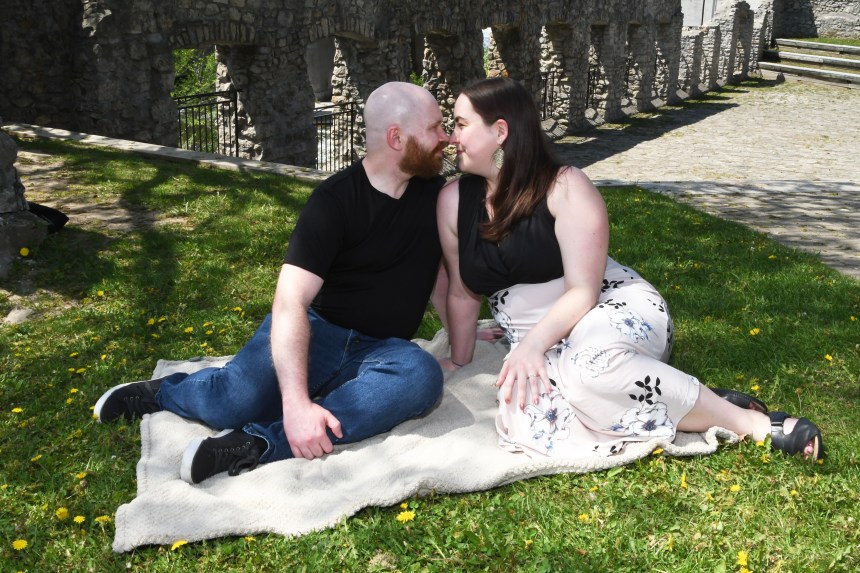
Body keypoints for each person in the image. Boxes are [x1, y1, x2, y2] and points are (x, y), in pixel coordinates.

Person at [437, 77, 823, 462]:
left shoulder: (564, 187)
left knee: (588, 369)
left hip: (608, 307)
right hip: (539, 342)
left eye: (461, 124)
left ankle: (751, 423)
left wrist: (533, 345)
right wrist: (459, 357)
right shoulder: (452, 201)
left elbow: (582, 293)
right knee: (535, 420)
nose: (453, 137)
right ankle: (690, 402)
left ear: (500, 131)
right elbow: (460, 290)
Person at [94, 81, 452, 483]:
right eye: (436, 128)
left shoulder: (437, 195)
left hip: (382, 351)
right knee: (233, 401)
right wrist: (297, 402)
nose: (447, 137)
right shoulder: (333, 203)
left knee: (420, 376)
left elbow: (440, 269)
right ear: (396, 137)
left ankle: (258, 444)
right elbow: (290, 302)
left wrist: (461, 336)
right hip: (317, 334)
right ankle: (164, 392)